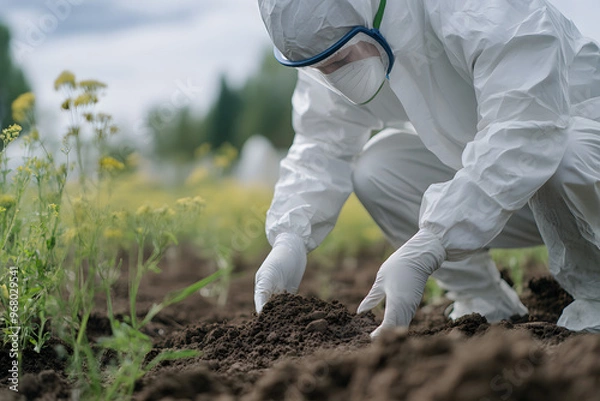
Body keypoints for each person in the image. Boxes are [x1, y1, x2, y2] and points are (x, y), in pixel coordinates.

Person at [254, 0, 600, 336]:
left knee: (562, 152)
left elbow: (528, 125)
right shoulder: (331, 37)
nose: (333, 73)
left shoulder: (473, 8)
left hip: (582, 178)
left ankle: (596, 296)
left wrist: (435, 239)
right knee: (377, 168)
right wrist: (290, 237)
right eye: (320, 66)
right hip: (513, 191)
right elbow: (322, 141)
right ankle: (482, 301)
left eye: (341, 58)